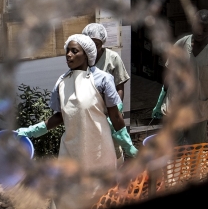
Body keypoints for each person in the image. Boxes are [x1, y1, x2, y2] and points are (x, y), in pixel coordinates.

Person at [16, 34, 138, 175]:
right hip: (72, 149)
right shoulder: (62, 82)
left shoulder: (103, 80)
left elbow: (115, 116)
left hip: (98, 149)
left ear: (86, 54)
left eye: (74, 51)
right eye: (67, 51)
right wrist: (32, 131)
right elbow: (60, 116)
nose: (68, 55)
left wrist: (127, 145)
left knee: (100, 191)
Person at [150, 9, 208, 144]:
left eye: (205, 29)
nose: (199, 32)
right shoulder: (181, 44)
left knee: (195, 147)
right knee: (174, 146)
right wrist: (162, 98)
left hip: (200, 108)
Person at [82, 22, 130, 102]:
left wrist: (118, 107)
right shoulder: (82, 57)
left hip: (108, 108)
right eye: (90, 44)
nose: (93, 47)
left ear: (102, 42)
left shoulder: (113, 58)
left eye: (96, 44)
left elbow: (119, 87)